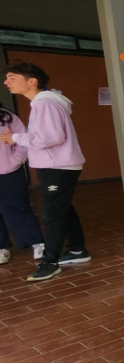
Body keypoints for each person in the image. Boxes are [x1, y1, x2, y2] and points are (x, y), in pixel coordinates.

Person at [1, 63, 89, 282]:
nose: (6, 82)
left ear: (32, 81)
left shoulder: (44, 103)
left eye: (12, 77)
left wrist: (16, 138)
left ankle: (50, 262)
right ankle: (78, 250)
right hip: (56, 165)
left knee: (53, 214)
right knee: (63, 207)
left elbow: (50, 138)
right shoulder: (45, 102)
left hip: (56, 166)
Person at [0, 103, 44, 266]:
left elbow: (23, 140)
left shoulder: (6, 117)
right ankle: (2, 248)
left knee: (18, 207)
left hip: (8, 171)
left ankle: (37, 244)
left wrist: (15, 161)